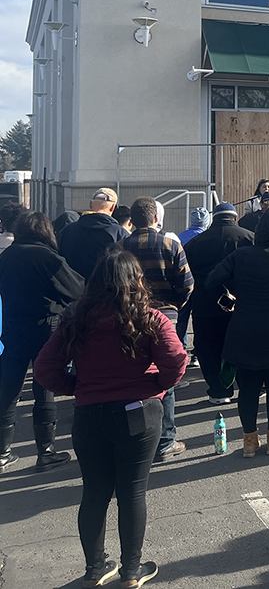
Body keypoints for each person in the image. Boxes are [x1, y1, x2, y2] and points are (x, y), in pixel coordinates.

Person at [33, 248, 186, 588]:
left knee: (95, 492)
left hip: (90, 413)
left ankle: (95, 567)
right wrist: (157, 387)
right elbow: (176, 360)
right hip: (138, 410)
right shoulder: (151, 318)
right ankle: (131, 571)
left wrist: (75, 388)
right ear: (136, 282)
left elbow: (44, 368)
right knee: (132, 492)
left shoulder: (76, 320)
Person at [207, 208, 269, 457]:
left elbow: (212, 280)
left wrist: (229, 295)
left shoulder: (240, 256)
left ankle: (249, 441)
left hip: (245, 329)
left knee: (248, 388)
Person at [0, 212, 86, 472]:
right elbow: (77, 289)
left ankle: (2, 453)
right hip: (45, 327)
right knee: (44, 388)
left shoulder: (6, 256)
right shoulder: (47, 257)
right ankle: (46, 451)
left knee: (8, 389)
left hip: (12, 327)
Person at [121, 198, 192, 462]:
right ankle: (165, 440)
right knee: (168, 373)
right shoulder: (171, 244)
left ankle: (136, 435)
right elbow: (187, 283)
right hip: (167, 315)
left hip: (130, 317)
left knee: (134, 371)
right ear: (155, 219)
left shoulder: (121, 247)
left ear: (132, 220)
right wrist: (175, 306)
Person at [182, 202, 253, 403]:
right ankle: (248, 386)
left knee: (208, 347)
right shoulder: (249, 238)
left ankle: (219, 390)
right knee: (243, 345)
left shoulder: (195, 243)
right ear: (235, 218)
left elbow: (186, 275)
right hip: (242, 304)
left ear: (214, 219)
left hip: (206, 304)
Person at [58, 188, 129, 281]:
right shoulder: (120, 234)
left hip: (72, 290)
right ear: (113, 207)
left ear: (90, 205)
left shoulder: (67, 231)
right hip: (105, 291)